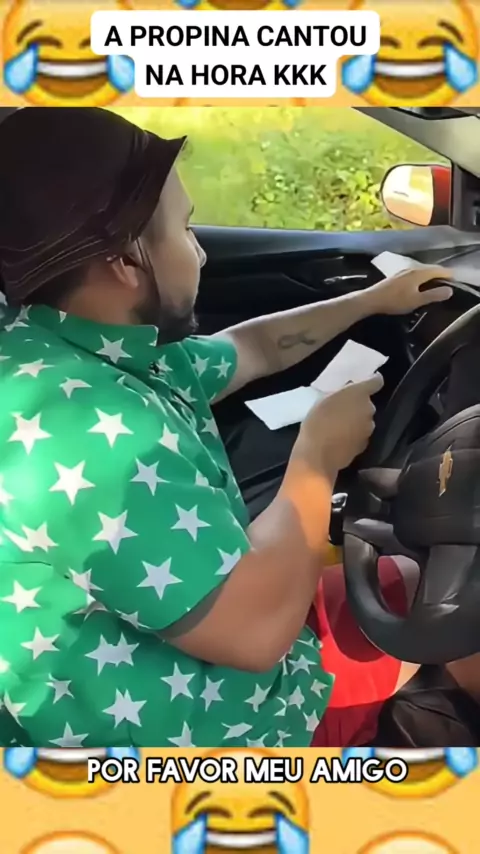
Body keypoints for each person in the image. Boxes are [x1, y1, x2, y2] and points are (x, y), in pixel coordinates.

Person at [0, 106, 473, 749]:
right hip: (215, 733)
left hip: (192, 645)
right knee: (455, 613)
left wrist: (370, 301)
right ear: (123, 259)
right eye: (185, 229)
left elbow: (251, 349)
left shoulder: (65, 350)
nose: (198, 251)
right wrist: (317, 457)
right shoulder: (96, 436)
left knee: (415, 588)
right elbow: (255, 637)